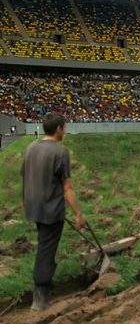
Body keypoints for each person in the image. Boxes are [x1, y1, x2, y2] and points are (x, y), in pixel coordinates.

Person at [21, 113, 86, 311]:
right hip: (51, 209)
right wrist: (78, 214)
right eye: (64, 128)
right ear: (58, 129)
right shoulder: (60, 151)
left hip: (33, 206)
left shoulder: (31, 147)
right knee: (46, 250)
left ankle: (45, 285)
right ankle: (40, 296)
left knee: (44, 244)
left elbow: (25, 176)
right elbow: (67, 187)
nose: (65, 131)